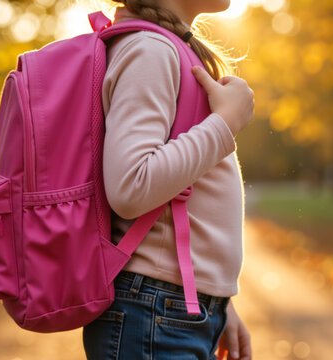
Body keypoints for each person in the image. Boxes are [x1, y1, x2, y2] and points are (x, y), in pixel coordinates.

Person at [81, 0, 254, 359]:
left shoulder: (165, 47)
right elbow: (131, 187)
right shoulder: (150, 50)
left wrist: (219, 302)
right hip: (153, 311)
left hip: (169, 307)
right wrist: (226, 123)